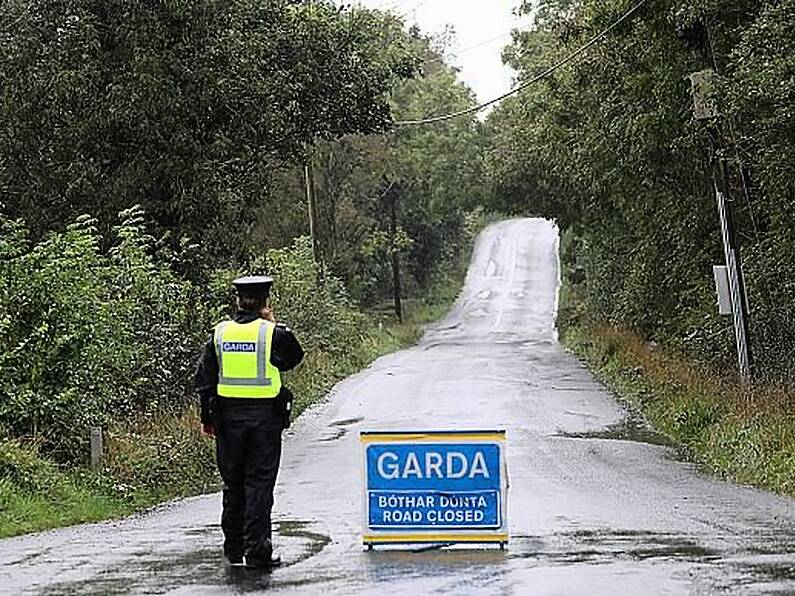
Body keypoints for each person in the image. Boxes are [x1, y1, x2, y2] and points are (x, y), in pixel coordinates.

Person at [195, 275, 304, 569]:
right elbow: (292, 358)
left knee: (233, 485)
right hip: (264, 422)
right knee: (258, 485)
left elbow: (204, 380)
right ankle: (258, 552)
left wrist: (207, 419)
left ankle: (233, 549)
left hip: (227, 423)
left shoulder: (219, 333)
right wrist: (272, 323)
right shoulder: (271, 334)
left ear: (237, 301)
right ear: (266, 302)